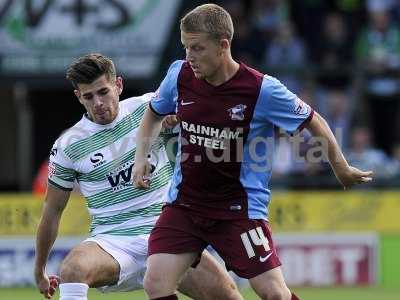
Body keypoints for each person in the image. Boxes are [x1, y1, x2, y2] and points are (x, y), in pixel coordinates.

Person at [132, 4, 373, 300]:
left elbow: (314, 121)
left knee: (274, 294)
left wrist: (342, 169)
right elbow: (153, 114)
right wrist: (140, 158)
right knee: (155, 283)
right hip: (185, 205)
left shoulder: (262, 89)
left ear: (223, 46)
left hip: (238, 211)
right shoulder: (179, 75)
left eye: (197, 48)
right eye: (185, 47)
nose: (189, 57)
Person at [34, 53, 243, 300]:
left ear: (118, 85)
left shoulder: (150, 108)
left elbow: (205, 124)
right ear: (78, 97)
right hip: (113, 242)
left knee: (230, 297)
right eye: (88, 96)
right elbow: (52, 210)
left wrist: (182, 122)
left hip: (169, 233)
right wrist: (40, 271)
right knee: (72, 269)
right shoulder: (68, 145)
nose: (98, 102)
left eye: (103, 92)